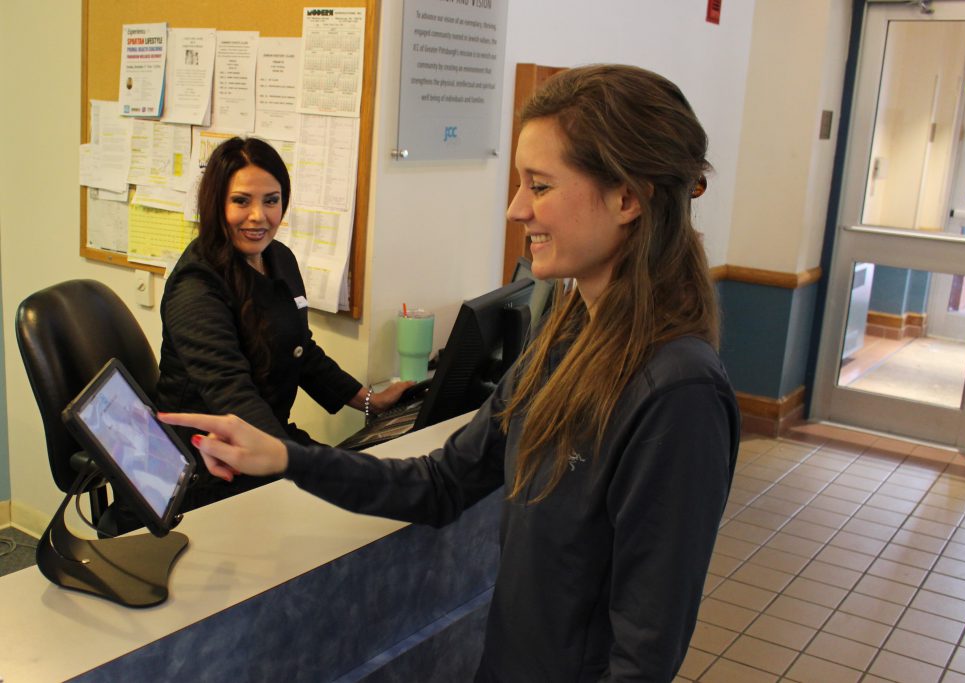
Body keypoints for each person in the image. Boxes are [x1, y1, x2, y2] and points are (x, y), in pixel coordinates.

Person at [162, 65, 738, 681]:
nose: (517, 207)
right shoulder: (569, 334)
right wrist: (289, 459)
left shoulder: (678, 394)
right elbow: (441, 484)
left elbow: (643, 657)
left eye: (539, 186)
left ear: (628, 197)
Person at [156, 137, 412, 508]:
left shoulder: (278, 259)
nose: (259, 216)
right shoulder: (196, 289)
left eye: (271, 200)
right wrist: (302, 465)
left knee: (370, 482)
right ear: (216, 204)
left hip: (268, 438)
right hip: (209, 465)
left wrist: (371, 401)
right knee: (339, 503)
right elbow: (233, 397)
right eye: (241, 201)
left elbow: (300, 350)